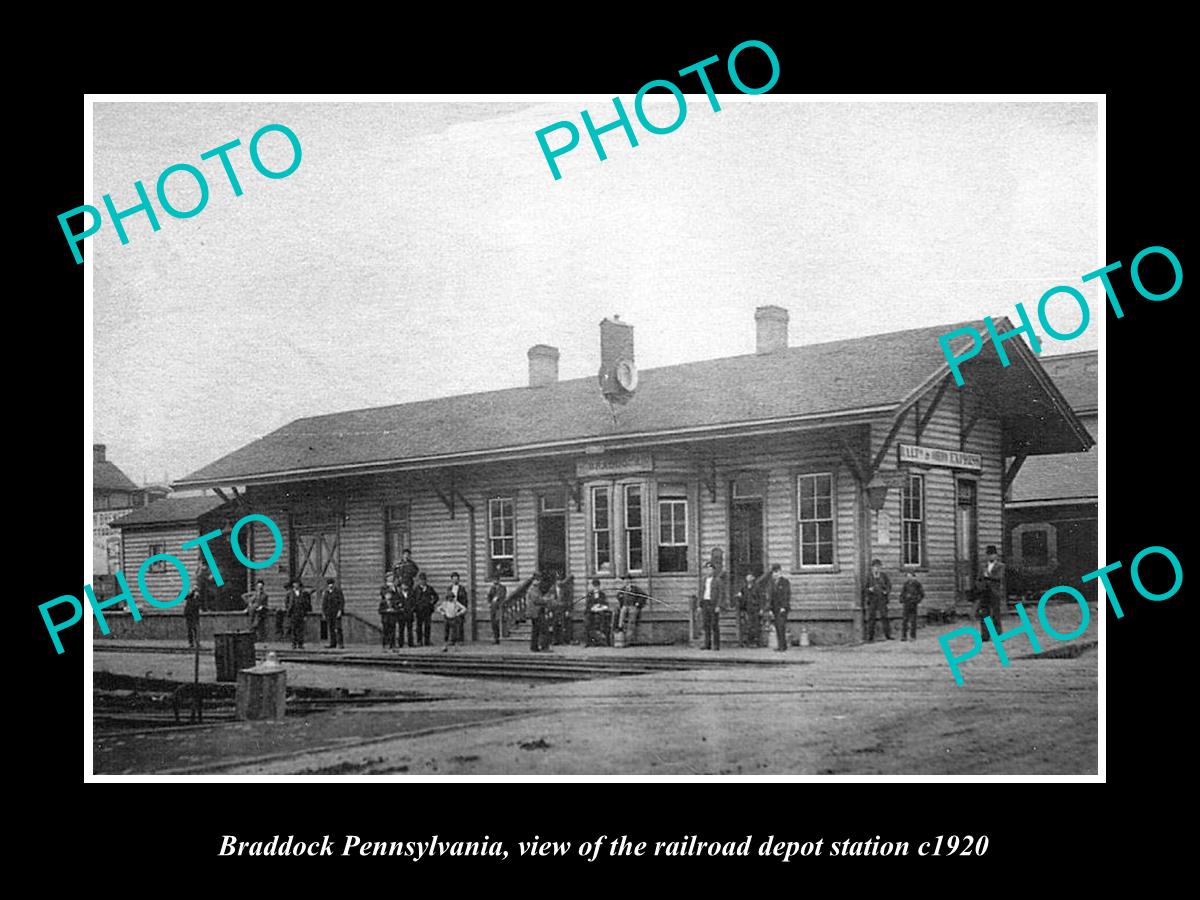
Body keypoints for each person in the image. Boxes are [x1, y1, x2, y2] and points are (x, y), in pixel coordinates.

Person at [976, 545, 1007, 642]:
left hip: (994, 592)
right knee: (984, 614)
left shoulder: (1001, 566)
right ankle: (985, 635)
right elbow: (979, 578)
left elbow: (998, 577)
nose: (990, 557)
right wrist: (980, 586)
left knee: (995, 614)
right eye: (988, 555)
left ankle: (998, 635)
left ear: (996, 556)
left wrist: (988, 576)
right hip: (984, 592)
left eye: (992, 555)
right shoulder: (983, 566)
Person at [865, 559, 893, 641]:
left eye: (878, 567)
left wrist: (885, 591)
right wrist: (869, 589)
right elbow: (865, 589)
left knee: (884, 616)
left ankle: (888, 635)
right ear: (872, 568)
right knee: (871, 618)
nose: (876, 568)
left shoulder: (884, 576)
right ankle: (870, 637)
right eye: (875, 567)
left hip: (882, 599)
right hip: (872, 599)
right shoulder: (869, 577)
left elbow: (889, 586)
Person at [765, 564, 791, 652]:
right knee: (777, 626)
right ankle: (781, 645)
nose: (775, 574)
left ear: (780, 572)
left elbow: (786, 595)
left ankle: (783, 646)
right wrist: (770, 609)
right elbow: (770, 597)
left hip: (782, 608)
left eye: (777, 572)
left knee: (781, 626)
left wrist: (784, 606)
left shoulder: (785, 582)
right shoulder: (771, 583)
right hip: (775, 608)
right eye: (773, 572)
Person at [616, 574, 646, 645]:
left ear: (630, 581)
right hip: (625, 606)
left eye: (628, 580)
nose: (626, 581)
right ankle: (620, 628)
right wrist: (621, 600)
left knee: (631, 621)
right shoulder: (623, 589)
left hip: (633, 606)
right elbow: (618, 596)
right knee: (622, 612)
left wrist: (638, 603)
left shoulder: (635, 589)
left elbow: (643, 596)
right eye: (625, 580)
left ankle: (628, 639)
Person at [699, 562, 723, 650]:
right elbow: (701, 592)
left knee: (714, 624)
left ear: (714, 571)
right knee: (706, 624)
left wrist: (718, 605)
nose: (709, 571)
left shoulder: (717, 580)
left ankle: (716, 644)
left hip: (713, 604)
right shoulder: (704, 580)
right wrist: (699, 605)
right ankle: (707, 644)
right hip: (705, 602)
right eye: (707, 569)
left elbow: (721, 594)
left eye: (711, 569)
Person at [737, 572, 763, 647]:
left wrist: (761, 608)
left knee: (756, 625)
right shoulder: (744, 588)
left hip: (755, 608)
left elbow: (761, 598)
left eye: (750, 577)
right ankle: (749, 642)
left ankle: (757, 642)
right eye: (747, 577)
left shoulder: (757, 587)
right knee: (748, 625)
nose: (748, 578)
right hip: (747, 608)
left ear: (753, 578)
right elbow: (741, 596)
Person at [438, 586, 468, 651]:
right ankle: (445, 646)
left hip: (454, 619)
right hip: (447, 619)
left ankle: (455, 647)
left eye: (451, 597)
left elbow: (464, 608)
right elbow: (439, 608)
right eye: (449, 598)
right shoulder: (445, 603)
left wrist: (458, 613)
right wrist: (443, 613)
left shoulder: (456, 603)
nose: (450, 599)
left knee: (455, 633)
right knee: (446, 633)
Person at [285, 580, 311, 649]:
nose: (296, 585)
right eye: (294, 583)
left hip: (301, 613)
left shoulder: (303, 594)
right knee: (293, 629)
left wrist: (305, 614)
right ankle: (294, 643)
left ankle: (300, 643)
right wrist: (288, 610)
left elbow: (305, 605)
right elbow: (286, 603)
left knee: (300, 629)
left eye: (297, 584)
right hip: (293, 613)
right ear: (293, 585)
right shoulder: (289, 594)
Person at [584, 578, 611, 647]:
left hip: (600, 611)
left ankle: (602, 641)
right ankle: (588, 641)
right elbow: (587, 605)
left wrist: (601, 606)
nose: (596, 587)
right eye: (595, 586)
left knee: (603, 620)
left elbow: (606, 604)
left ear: (599, 586)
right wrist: (592, 607)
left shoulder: (602, 594)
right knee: (588, 622)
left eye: (597, 586)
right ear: (593, 586)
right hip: (592, 612)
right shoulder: (590, 594)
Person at [414, 573, 438, 646]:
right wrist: (415, 606)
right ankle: (419, 641)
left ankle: (427, 641)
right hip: (419, 610)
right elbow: (412, 599)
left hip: (427, 610)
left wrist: (432, 602)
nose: (422, 582)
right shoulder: (416, 589)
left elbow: (436, 597)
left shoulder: (430, 588)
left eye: (424, 580)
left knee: (427, 626)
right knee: (419, 626)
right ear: (419, 581)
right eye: (421, 580)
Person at [900, 571, 925, 641]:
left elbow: (922, 594)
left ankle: (912, 636)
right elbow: (902, 593)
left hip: (913, 604)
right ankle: (904, 636)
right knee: (905, 620)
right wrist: (902, 599)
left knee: (913, 620)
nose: (909, 578)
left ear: (914, 576)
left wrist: (916, 600)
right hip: (906, 604)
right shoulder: (906, 584)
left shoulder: (917, 584)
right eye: (908, 576)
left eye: (910, 576)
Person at [321, 577, 345, 649]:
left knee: (338, 628)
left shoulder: (338, 591)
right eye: (329, 584)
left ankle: (340, 643)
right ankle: (332, 643)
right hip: (329, 613)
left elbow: (341, 601)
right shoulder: (326, 593)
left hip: (336, 612)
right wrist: (324, 613)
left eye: (331, 584)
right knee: (331, 628)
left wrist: (340, 611)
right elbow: (324, 603)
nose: (330, 585)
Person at [445, 572, 469, 644]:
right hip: (451, 608)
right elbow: (446, 598)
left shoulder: (462, 588)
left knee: (460, 624)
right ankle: (453, 640)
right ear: (451, 580)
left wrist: (463, 608)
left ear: (459, 580)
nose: (455, 581)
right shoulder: (449, 588)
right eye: (453, 579)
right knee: (452, 625)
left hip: (459, 607)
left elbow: (465, 599)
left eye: (456, 579)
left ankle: (460, 640)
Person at [527, 572, 547, 652]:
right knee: (541, 629)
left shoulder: (536, 589)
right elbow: (536, 600)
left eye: (539, 580)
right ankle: (540, 646)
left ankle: (535, 646)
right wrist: (545, 600)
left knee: (536, 630)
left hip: (536, 612)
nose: (539, 582)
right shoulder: (533, 589)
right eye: (537, 580)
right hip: (536, 612)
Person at [379, 575, 398, 650]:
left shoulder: (395, 587)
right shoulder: (383, 602)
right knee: (385, 632)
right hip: (385, 618)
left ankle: (392, 644)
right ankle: (385, 644)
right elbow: (380, 610)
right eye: (390, 577)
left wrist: (394, 610)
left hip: (392, 618)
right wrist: (386, 610)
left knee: (392, 631)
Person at [487, 574, 507, 644]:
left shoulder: (502, 588)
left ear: (499, 580)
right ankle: (495, 637)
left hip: (499, 607)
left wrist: (497, 598)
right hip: (493, 608)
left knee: (498, 622)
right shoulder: (492, 588)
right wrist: (489, 603)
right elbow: (489, 596)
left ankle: (498, 638)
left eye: (496, 580)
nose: (495, 581)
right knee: (493, 623)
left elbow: (503, 596)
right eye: (494, 580)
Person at [396, 580, 416, 648]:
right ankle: (400, 643)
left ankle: (411, 643)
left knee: (410, 629)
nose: (405, 587)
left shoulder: (411, 594)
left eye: (406, 585)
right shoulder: (398, 594)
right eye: (403, 585)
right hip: (401, 614)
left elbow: (414, 603)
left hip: (409, 614)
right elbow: (396, 603)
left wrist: (412, 609)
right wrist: (399, 607)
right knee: (401, 629)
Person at [183, 578, 202, 648]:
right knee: (190, 628)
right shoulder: (189, 595)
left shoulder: (198, 596)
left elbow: (200, 603)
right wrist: (191, 592)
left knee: (196, 628)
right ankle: (191, 643)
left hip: (195, 613)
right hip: (189, 613)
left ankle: (197, 642)